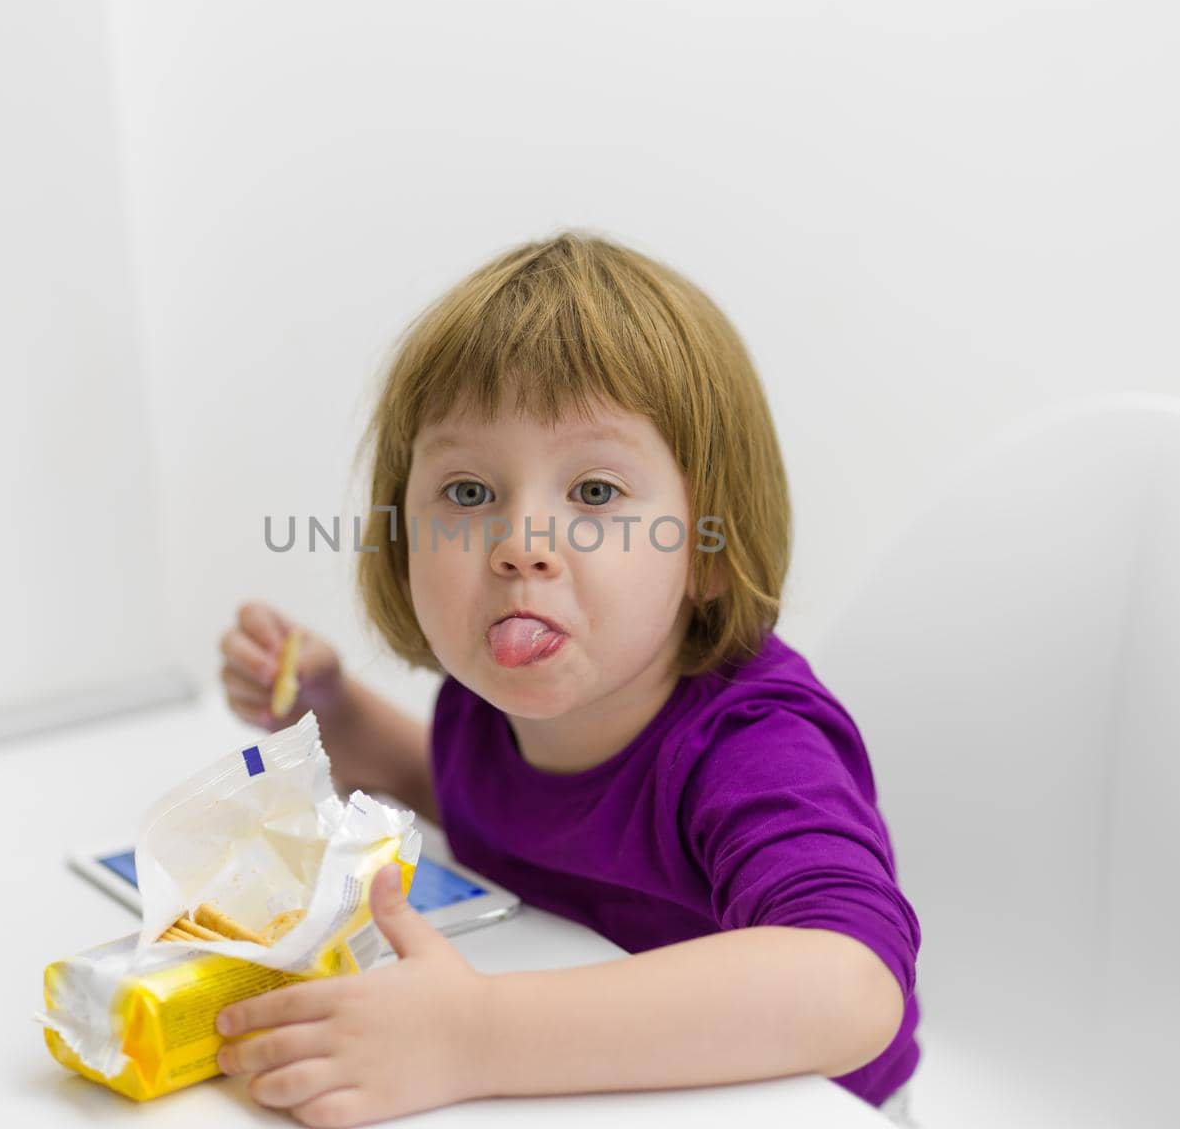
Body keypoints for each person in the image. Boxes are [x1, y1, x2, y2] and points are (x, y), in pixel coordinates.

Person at [215, 232, 921, 1129]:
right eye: (469, 494)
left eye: (593, 493)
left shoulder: (751, 745)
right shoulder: (484, 710)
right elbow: (487, 805)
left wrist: (476, 1037)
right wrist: (335, 712)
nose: (520, 546)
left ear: (707, 550)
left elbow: (853, 984)